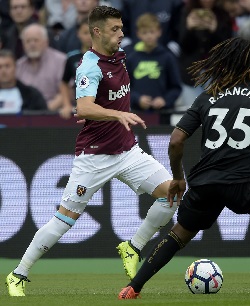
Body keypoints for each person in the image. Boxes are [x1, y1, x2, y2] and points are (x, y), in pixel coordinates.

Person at [5, 5, 178, 297]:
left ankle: (132, 246)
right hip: (95, 157)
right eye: (115, 29)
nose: (122, 33)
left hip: (127, 150)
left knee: (173, 193)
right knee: (63, 222)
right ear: (96, 32)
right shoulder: (89, 66)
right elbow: (83, 107)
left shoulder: (121, 56)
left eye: (122, 28)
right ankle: (18, 274)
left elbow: (104, 100)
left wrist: (116, 113)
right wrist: (116, 115)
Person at [118, 37, 250, 299]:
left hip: (204, 184)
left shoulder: (207, 98)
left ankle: (132, 287)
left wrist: (178, 178)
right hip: (245, 186)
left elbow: (176, 140)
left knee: (178, 235)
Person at [176, 0, 232, 110]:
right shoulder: (187, 12)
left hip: (215, 74)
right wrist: (189, 28)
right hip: (191, 75)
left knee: (215, 112)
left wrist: (214, 30)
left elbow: (227, 47)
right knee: (192, 113)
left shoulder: (222, 14)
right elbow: (182, 44)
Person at [126, 13, 182, 124]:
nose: (149, 36)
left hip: (162, 116)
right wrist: (137, 98)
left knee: (161, 141)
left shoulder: (167, 57)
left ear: (159, 32)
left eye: (152, 32)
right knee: (137, 141)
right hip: (136, 114)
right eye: (145, 32)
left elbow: (176, 87)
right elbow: (124, 88)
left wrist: (165, 100)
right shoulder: (132, 58)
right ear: (138, 34)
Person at [16, 23, 69, 116]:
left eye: (36, 40)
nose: (32, 44)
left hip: (54, 115)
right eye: (28, 41)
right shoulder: (18, 66)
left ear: (46, 42)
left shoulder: (61, 61)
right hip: (24, 116)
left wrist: (44, 111)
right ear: (23, 45)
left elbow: (67, 92)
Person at [59, 17, 92, 119]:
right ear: (78, 34)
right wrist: (66, 104)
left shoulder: (110, 58)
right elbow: (64, 82)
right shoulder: (72, 58)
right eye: (86, 33)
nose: (90, 36)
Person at [0, 48, 47, 113]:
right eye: (0, 67)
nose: (3, 71)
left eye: (7, 66)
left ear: (15, 67)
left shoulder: (31, 95)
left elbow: (43, 119)